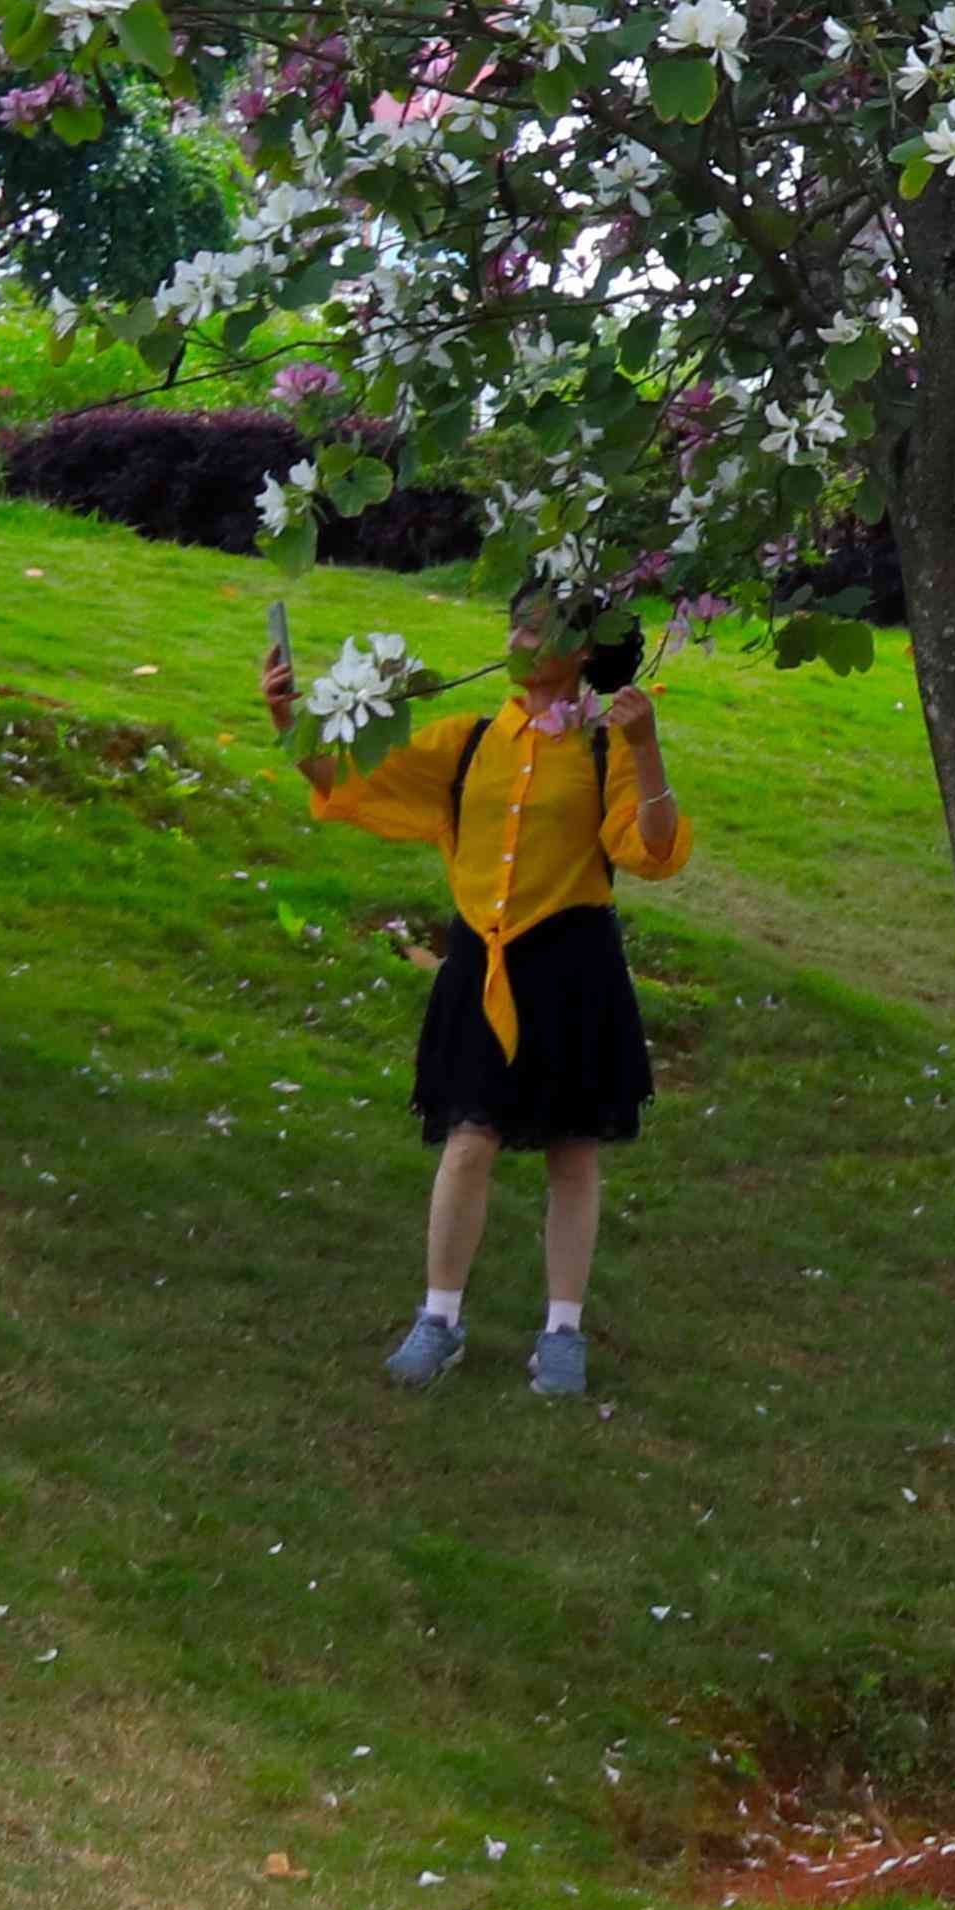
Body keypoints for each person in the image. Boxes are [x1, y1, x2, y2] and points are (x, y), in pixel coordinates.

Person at [278, 598, 689, 1397]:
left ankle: (562, 1332)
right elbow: (341, 780)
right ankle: (439, 1319)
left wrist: (646, 750)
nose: (516, 638)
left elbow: (657, 847)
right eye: (516, 622)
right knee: (470, 1140)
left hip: (574, 967)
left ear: (582, 648)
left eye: (536, 625)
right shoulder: (466, 741)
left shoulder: (604, 748)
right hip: (481, 962)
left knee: (574, 1153)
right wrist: (285, 712)